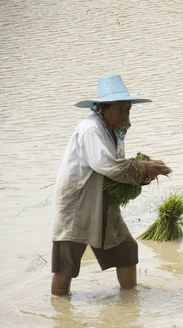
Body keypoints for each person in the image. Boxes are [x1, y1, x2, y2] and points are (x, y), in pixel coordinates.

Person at [51, 75, 171, 296]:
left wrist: (142, 174)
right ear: (103, 109)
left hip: (102, 199)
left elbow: (117, 167)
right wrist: (142, 169)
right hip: (78, 201)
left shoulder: (114, 131)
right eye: (119, 109)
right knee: (66, 263)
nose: (125, 114)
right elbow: (107, 166)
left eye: (127, 109)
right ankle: (59, 308)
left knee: (126, 250)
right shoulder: (91, 129)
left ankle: (129, 302)